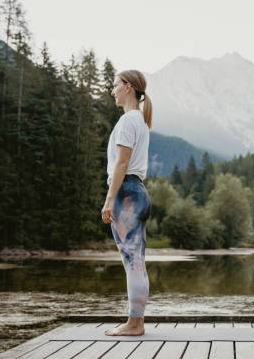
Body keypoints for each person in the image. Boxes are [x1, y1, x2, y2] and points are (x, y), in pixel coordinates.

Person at [101, 69, 153, 336]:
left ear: (129, 87)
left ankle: (134, 324)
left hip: (126, 195)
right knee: (137, 261)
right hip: (139, 192)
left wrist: (109, 200)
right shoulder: (141, 122)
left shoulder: (127, 122)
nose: (112, 90)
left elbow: (121, 163)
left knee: (131, 262)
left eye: (115, 85)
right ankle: (137, 322)